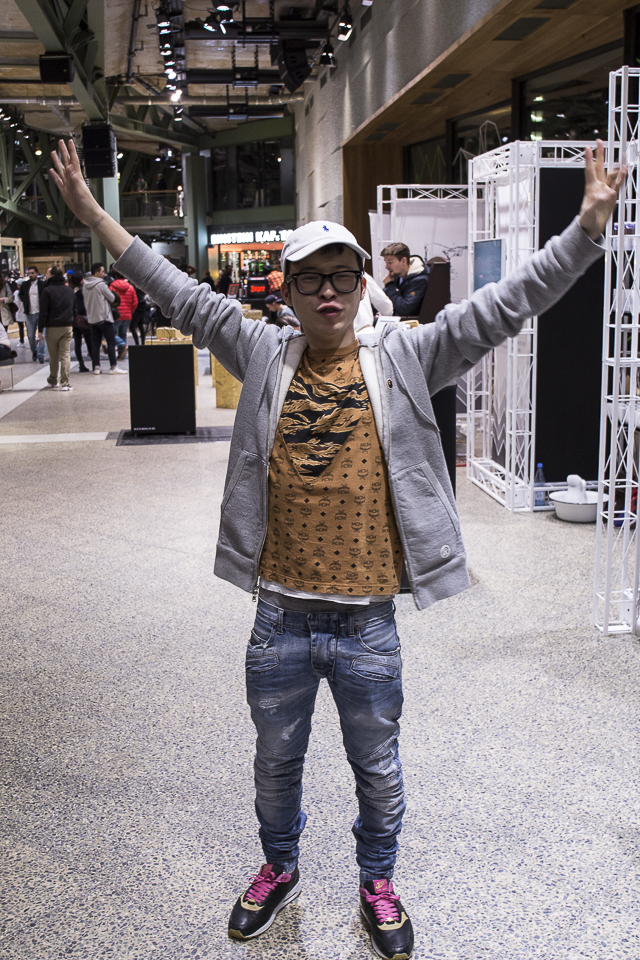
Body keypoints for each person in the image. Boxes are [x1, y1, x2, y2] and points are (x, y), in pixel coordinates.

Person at [50, 136, 623, 960]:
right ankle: (279, 869)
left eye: (343, 278)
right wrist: (92, 215)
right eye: (311, 279)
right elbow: (174, 290)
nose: (328, 292)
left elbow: (506, 305)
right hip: (278, 618)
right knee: (274, 765)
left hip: (366, 626)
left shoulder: (408, 356)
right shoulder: (260, 350)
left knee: (378, 770)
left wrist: (587, 228)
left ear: (363, 286)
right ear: (286, 290)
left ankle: (377, 882)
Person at [38, 265, 77, 391]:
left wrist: (40, 329)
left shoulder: (47, 291)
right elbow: (74, 309)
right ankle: (65, 383)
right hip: (67, 326)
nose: (46, 275)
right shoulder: (69, 290)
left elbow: (43, 311)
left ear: (52, 275)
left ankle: (53, 380)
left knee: (54, 356)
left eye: (48, 273)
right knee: (65, 355)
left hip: (52, 326)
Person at [83, 262, 126, 375]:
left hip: (92, 318)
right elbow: (112, 298)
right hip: (104, 317)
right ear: (97, 273)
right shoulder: (101, 284)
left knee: (95, 344)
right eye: (102, 271)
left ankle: (96, 367)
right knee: (111, 342)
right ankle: (113, 366)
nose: (104, 273)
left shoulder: (85, 285)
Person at [381, 242, 429, 317]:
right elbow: (383, 299)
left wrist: (390, 285)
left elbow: (405, 309)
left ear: (404, 261)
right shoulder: (396, 276)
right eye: (386, 263)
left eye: (390, 262)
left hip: (410, 321)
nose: (387, 267)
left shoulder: (420, 280)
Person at [109, 268, 138, 360]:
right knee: (123, 334)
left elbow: (109, 300)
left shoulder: (112, 286)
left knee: (111, 333)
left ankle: (121, 345)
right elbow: (135, 302)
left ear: (116, 276)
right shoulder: (130, 287)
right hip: (127, 315)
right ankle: (121, 352)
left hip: (116, 315)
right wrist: (130, 311)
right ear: (124, 276)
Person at [19, 266, 46, 362]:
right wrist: (25, 300)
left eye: (32, 273)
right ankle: (34, 350)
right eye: (29, 273)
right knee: (30, 336)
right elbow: (21, 294)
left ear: (37, 273)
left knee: (42, 335)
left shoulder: (42, 284)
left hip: (41, 313)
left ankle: (41, 355)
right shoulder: (25, 285)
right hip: (30, 313)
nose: (30, 275)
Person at [69, 275, 91, 372]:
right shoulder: (83, 291)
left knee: (77, 343)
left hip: (74, 319)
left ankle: (81, 364)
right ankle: (95, 363)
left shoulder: (71, 291)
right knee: (89, 341)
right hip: (83, 319)